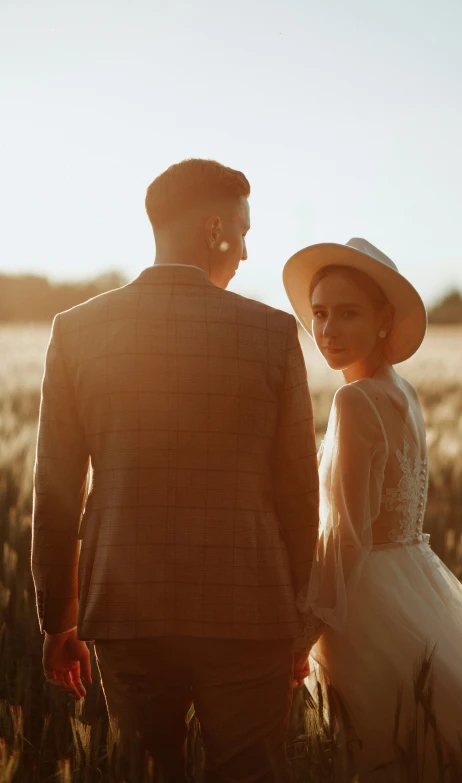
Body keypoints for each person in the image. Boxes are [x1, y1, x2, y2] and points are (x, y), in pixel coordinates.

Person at [31, 158, 320, 782]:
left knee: (149, 772)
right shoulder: (272, 334)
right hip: (252, 610)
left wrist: (58, 617)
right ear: (213, 228)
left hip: (128, 609)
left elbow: (55, 489)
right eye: (242, 232)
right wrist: (301, 619)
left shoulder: (76, 332)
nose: (245, 252)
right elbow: (299, 493)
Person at [283, 237, 462, 774]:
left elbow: (349, 534)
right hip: (417, 579)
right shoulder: (403, 392)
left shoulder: (354, 399)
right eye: (319, 314)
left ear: (384, 319)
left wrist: (304, 635)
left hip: (367, 599)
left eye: (348, 314)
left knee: (383, 752)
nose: (328, 330)